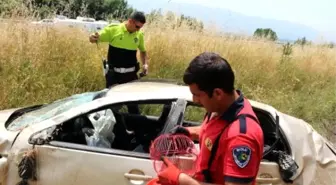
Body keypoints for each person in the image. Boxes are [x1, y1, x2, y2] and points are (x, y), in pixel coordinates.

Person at [158, 52, 264, 185]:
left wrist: (182, 180)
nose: (194, 100)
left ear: (218, 93)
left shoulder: (241, 138)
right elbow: (216, 132)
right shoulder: (219, 109)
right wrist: (189, 132)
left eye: (197, 95)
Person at [89, 11, 149, 114]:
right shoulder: (113, 29)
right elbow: (95, 38)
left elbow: (143, 51)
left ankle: (135, 126)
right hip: (114, 76)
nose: (139, 29)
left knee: (133, 106)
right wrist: (92, 37)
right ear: (130, 21)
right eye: (137, 26)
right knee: (112, 107)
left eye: (141, 27)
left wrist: (145, 64)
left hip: (130, 76)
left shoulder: (139, 35)